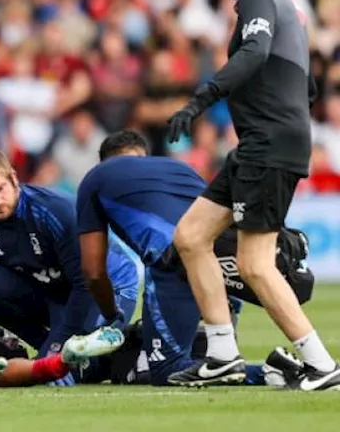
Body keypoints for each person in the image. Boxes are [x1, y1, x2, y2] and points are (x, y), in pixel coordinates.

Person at [165, 0, 340, 390]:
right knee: (191, 235)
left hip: (267, 145)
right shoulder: (288, 4)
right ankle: (222, 353)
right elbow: (306, 85)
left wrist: (202, 98)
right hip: (262, 144)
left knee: (255, 263)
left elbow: (257, 52)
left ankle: (322, 364)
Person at [74, 130, 306, 387]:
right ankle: (271, 365)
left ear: (104, 161)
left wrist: (112, 319)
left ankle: (268, 372)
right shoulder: (177, 167)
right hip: (220, 263)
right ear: (144, 155)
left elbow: (94, 271)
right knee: (210, 358)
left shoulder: (95, 178)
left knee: (166, 370)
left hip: (174, 261)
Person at [0, 147, 139, 366]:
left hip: (106, 288)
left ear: (13, 178)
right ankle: (44, 347)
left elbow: (85, 282)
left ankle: (136, 341)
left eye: (0, 189)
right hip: (59, 293)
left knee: (89, 365)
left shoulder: (54, 211)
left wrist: (58, 344)